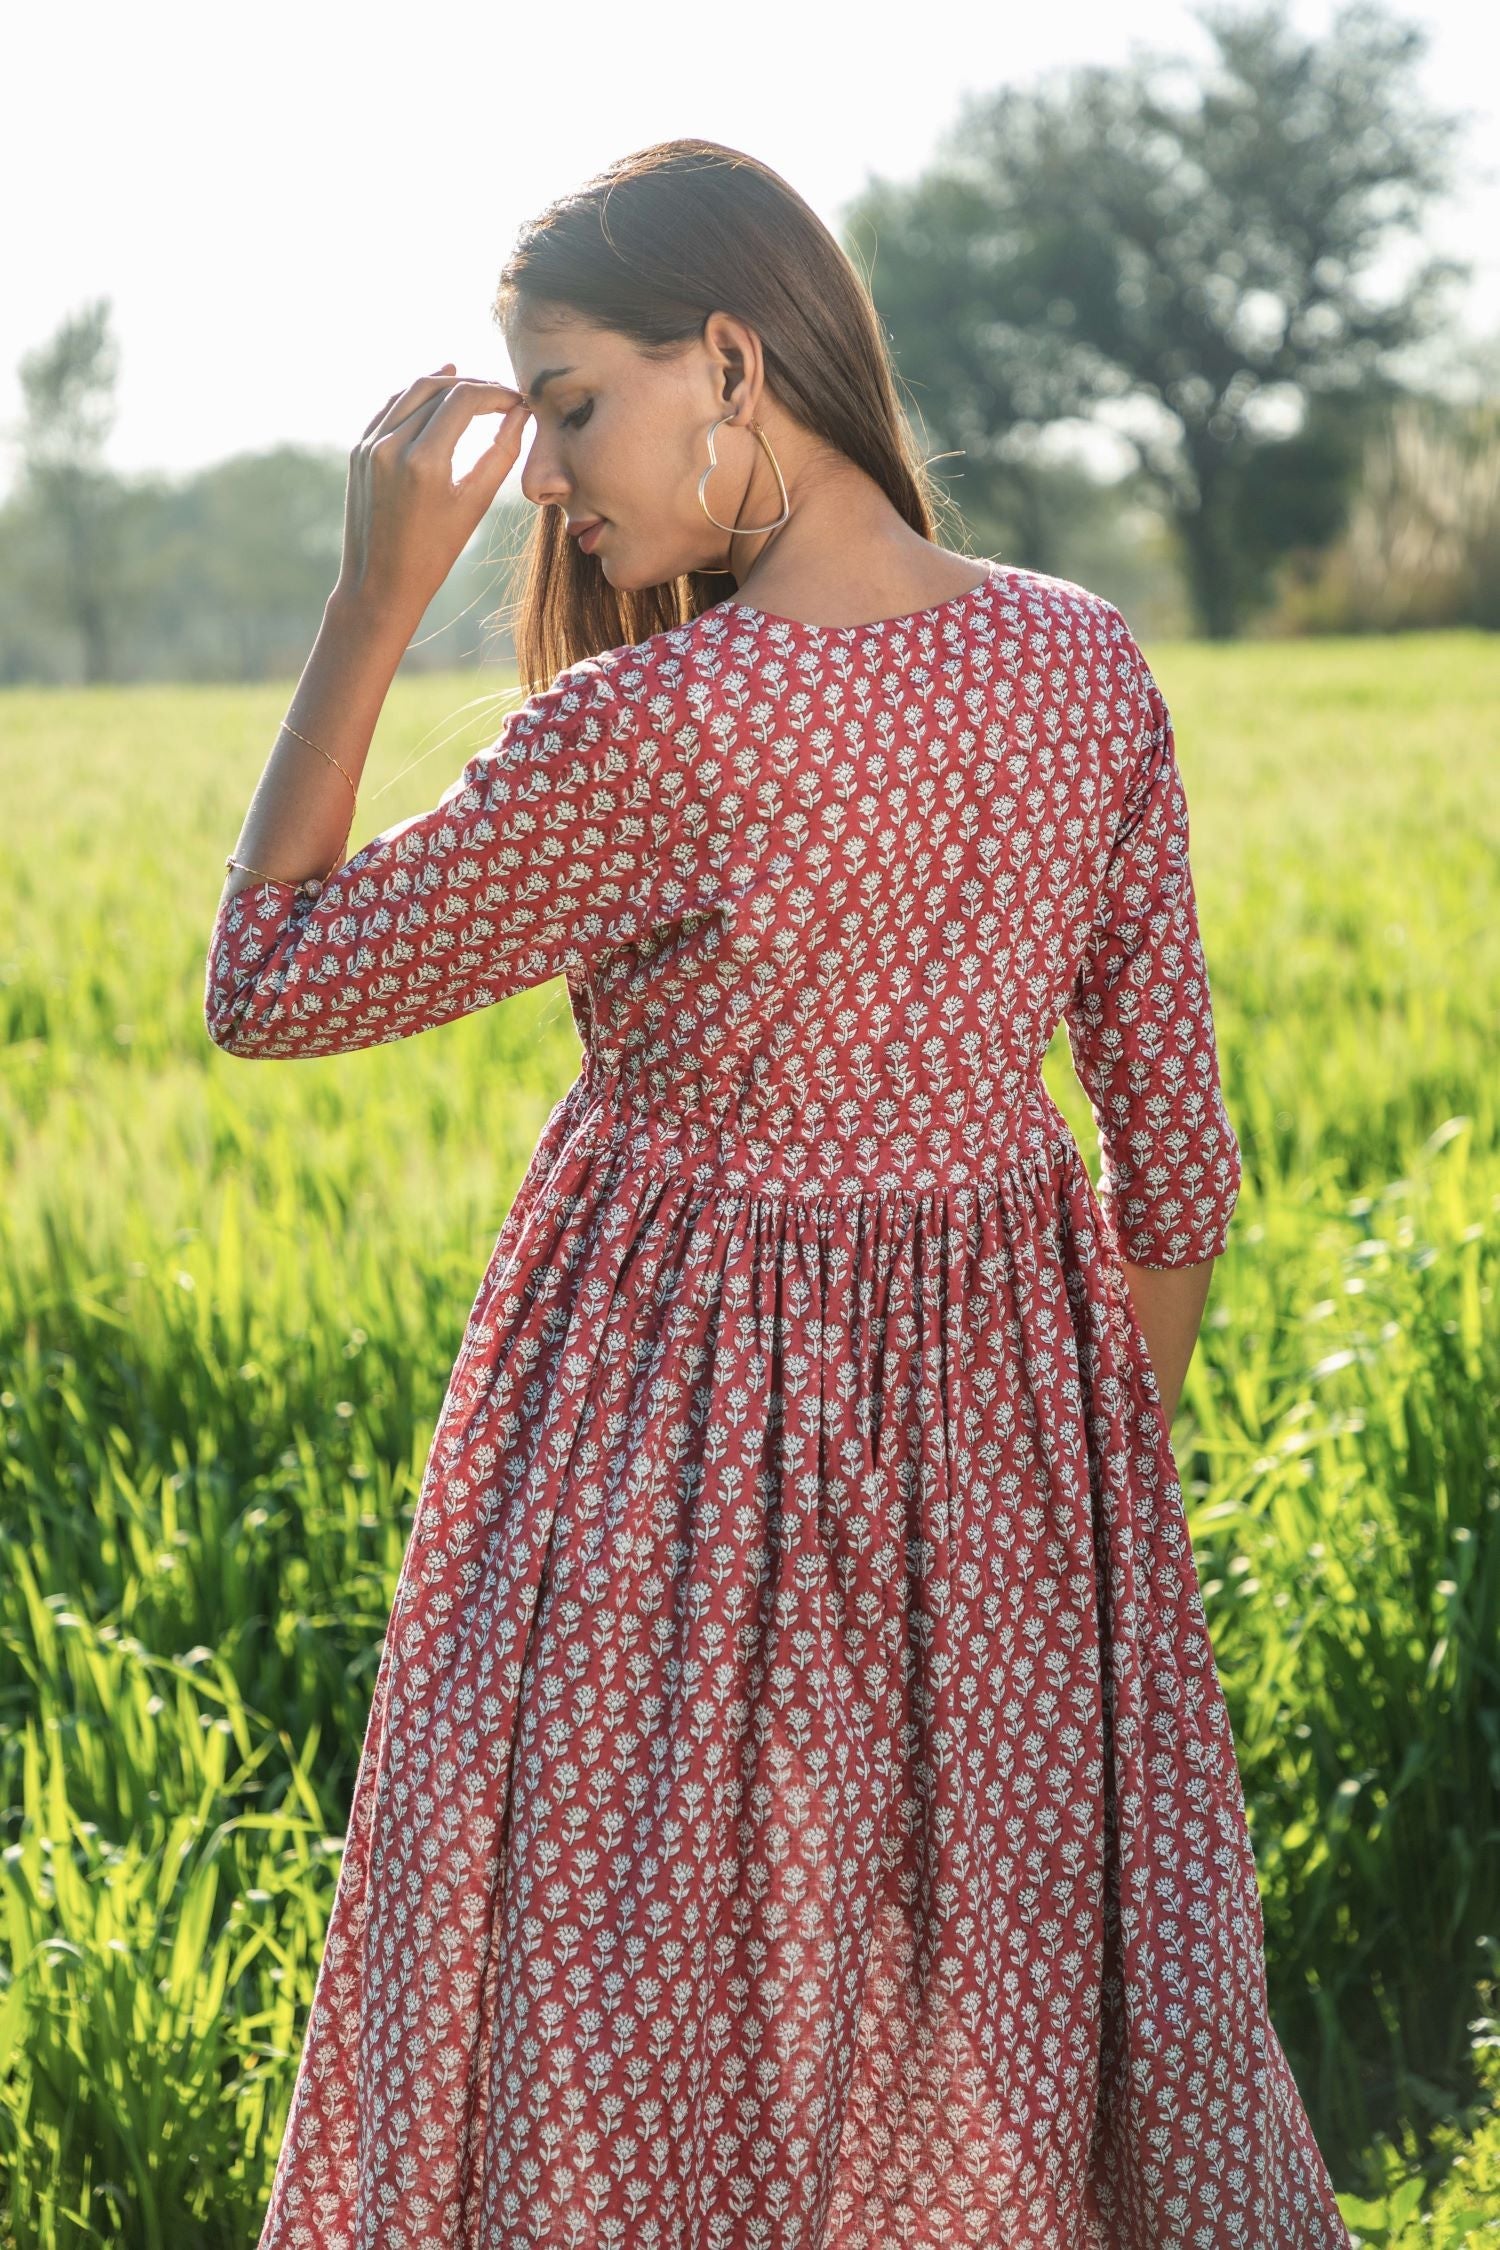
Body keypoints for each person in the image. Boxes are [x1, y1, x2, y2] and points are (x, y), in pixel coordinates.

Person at [207, 137, 1352, 2250]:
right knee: (983, 2034)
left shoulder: (665, 726)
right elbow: (1174, 1160)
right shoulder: (1082, 663)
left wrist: (372, 605)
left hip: (659, 1475)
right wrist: (1078, 1487)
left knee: (652, 2025)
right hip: (1027, 1473)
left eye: (566, 407)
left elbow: (267, 985)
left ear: (728, 353)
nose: (543, 482)